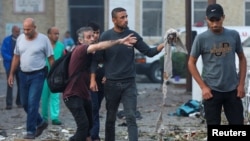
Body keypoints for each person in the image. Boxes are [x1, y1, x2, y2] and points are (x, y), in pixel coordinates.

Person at [90, 7, 164, 141]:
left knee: (131, 117)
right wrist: (93, 79)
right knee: (110, 118)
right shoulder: (106, 36)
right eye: (122, 17)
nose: (126, 20)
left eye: (126, 17)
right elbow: (96, 60)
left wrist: (165, 43)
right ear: (114, 20)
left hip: (129, 84)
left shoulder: (132, 35)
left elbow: (149, 52)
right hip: (111, 84)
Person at [63, 26, 137, 141]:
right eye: (89, 37)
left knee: (90, 127)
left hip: (84, 95)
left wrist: (104, 75)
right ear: (81, 40)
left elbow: (98, 65)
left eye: (93, 36)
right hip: (73, 95)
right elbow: (100, 46)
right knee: (83, 128)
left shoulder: (90, 54)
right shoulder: (81, 49)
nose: (92, 38)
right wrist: (119, 41)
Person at [188, 3, 247, 125]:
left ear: (223, 17)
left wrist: (241, 84)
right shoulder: (201, 38)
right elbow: (191, 63)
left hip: (233, 89)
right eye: (211, 20)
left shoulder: (233, 35)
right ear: (207, 19)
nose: (215, 24)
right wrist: (203, 87)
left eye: (217, 20)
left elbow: (242, 58)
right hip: (212, 91)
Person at [8, 18, 54, 139]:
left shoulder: (43, 40)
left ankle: (30, 131)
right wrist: (11, 74)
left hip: (38, 74)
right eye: (24, 29)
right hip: (23, 74)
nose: (26, 31)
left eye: (28, 29)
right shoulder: (20, 39)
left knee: (33, 103)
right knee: (24, 103)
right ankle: (41, 122)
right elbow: (16, 57)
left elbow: (51, 58)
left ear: (34, 27)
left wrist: (54, 73)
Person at [41, 26, 64, 125]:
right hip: (44, 74)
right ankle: (44, 117)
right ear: (49, 35)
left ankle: (55, 117)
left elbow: (63, 60)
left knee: (55, 96)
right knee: (44, 97)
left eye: (58, 33)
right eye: (55, 33)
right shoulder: (43, 46)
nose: (57, 36)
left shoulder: (61, 46)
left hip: (56, 75)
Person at [88, 22, 104, 141]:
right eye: (93, 33)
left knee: (96, 107)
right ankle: (94, 135)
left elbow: (109, 61)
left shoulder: (103, 46)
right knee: (92, 107)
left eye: (97, 33)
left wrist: (107, 74)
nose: (95, 35)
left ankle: (91, 132)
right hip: (87, 83)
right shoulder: (84, 46)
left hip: (101, 82)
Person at [1, 25, 21, 110]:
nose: (17, 33)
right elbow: (3, 51)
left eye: (18, 31)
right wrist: (12, 59)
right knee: (10, 84)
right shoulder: (6, 40)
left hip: (20, 65)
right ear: (12, 31)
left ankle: (19, 102)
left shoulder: (21, 40)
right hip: (9, 65)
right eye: (16, 31)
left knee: (21, 84)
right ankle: (9, 104)